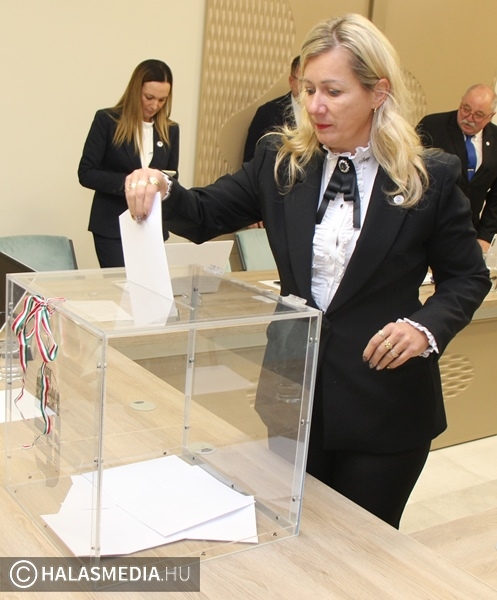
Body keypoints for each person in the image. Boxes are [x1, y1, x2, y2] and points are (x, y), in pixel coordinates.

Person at [124, 14, 490, 528]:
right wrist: (160, 186)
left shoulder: (427, 176)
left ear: (378, 92)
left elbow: (468, 278)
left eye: (333, 91)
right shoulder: (279, 161)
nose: (315, 106)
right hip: (290, 395)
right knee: (290, 537)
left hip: (384, 406)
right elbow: (203, 212)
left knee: (359, 547)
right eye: (309, 89)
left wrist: (424, 328)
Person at [78, 59, 179, 267]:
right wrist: (133, 183)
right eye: (149, 97)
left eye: (162, 100)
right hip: (112, 226)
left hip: (152, 228)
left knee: (150, 285)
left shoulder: (170, 130)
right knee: (120, 284)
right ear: (135, 91)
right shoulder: (107, 121)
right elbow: (86, 173)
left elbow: (171, 177)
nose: (154, 105)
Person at [417, 84, 497, 253]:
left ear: (490, 116)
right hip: (427, 228)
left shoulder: (495, 138)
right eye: (465, 109)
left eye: (478, 115)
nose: (469, 117)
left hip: (468, 232)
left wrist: (485, 236)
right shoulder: (432, 126)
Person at [243, 55, 301, 163]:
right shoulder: (267, 113)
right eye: (303, 80)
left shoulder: (324, 113)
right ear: (291, 81)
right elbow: (251, 163)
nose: (308, 87)